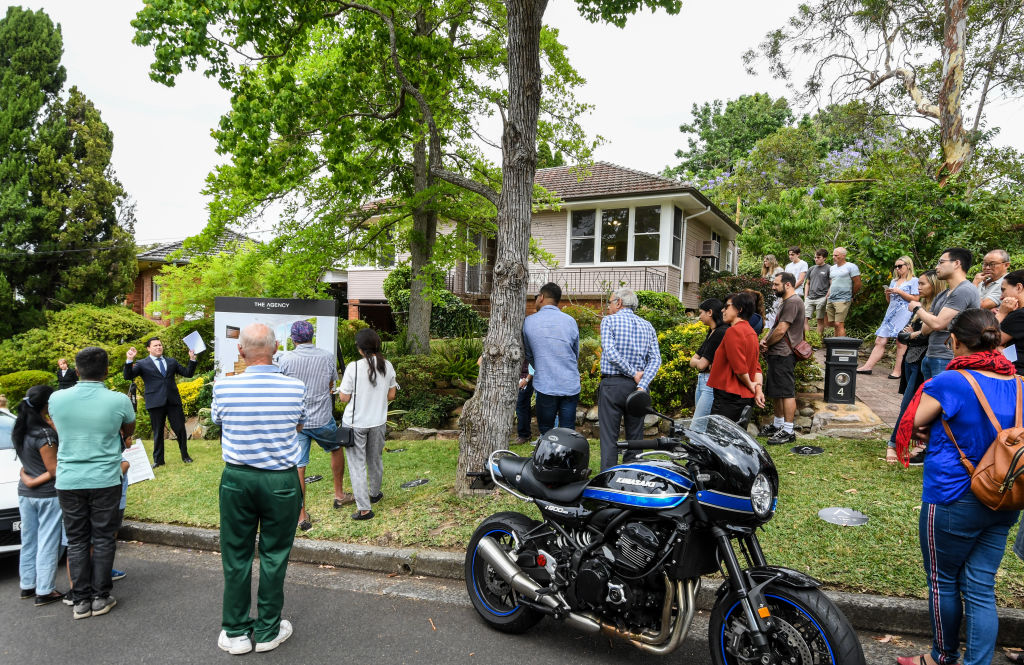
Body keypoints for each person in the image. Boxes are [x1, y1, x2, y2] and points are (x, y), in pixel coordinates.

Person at [897, 309, 1021, 665]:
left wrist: (930, 425)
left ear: (954, 341)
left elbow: (915, 422)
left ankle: (942, 657)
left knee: (942, 581)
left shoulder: (951, 382)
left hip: (953, 495)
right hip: (1005, 497)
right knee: (982, 588)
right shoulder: (1020, 384)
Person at [211, 323, 305, 655]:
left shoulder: (223, 387)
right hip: (281, 480)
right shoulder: (295, 388)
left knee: (235, 554)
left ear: (240, 351)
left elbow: (219, 422)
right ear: (276, 348)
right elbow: (299, 423)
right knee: (274, 555)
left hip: (238, 479)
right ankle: (267, 630)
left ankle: (236, 631)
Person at [49, 346, 135, 620]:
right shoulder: (119, 400)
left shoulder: (56, 399)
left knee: (76, 540)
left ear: (76, 370)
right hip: (105, 477)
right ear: (107, 371)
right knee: (103, 536)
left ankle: (80, 600)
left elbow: (57, 427)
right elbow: (128, 429)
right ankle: (100, 596)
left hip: (69, 479)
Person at [278, 320, 349, 531]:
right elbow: (330, 384)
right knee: (336, 448)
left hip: (295, 421)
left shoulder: (285, 359)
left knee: (299, 465)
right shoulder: (327, 356)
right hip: (322, 417)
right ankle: (339, 494)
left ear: (293, 339)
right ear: (312, 337)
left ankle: (301, 515)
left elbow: (281, 386)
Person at [597, 288, 661, 471]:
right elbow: (656, 359)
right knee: (635, 437)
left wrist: (632, 372)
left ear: (619, 303)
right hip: (638, 389)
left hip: (613, 385)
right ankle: (632, 476)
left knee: (609, 436)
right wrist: (642, 384)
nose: (608, 307)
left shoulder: (609, 321)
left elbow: (610, 353)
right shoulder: (647, 325)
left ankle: (608, 477)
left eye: (609, 302)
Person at [338, 329, 398, 521]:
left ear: (361, 349)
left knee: (357, 466)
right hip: (378, 421)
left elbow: (344, 397)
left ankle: (364, 509)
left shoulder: (353, 367)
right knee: (375, 459)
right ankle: (374, 493)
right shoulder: (387, 366)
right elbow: (391, 395)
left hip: (355, 423)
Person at [13, 385, 65, 606]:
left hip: (25, 493)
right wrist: (34, 480)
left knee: (29, 540)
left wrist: (27, 478)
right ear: (46, 404)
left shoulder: (21, 428)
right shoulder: (45, 434)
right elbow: (53, 470)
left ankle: (28, 585)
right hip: (46, 494)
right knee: (48, 540)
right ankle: (45, 590)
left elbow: (26, 464)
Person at [885, 270, 944, 463]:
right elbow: (905, 333)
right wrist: (912, 334)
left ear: (934, 285)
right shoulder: (921, 307)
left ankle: (895, 443)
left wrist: (912, 334)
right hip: (912, 358)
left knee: (913, 405)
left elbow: (925, 332)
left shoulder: (932, 308)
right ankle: (902, 442)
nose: (918, 288)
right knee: (909, 404)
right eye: (918, 284)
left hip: (923, 359)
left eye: (923, 284)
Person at [123, 337, 197, 466]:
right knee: (157, 432)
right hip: (155, 402)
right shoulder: (142, 363)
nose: (158, 347)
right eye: (155, 345)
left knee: (180, 429)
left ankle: (185, 455)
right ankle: (158, 460)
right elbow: (127, 376)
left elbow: (188, 373)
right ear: (148, 348)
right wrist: (129, 360)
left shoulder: (171, 362)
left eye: (160, 345)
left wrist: (192, 359)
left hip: (173, 401)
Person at [909, 248, 981, 381]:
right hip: (931, 355)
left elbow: (937, 323)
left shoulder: (964, 290)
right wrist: (932, 320)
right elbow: (925, 330)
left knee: (941, 400)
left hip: (948, 357)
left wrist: (917, 308)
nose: (937, 267)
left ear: (956, 264)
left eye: (941, 262)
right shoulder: (943, 294)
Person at [522, 282, 580, 434]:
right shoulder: (570, 321)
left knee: (546, 432)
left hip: (545, 384)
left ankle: (548, 458)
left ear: (541, 297)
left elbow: (529, 354)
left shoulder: (528, 322)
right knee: (568, 433)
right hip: (569, 384)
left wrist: (541, 366)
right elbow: (575, 353)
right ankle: (567, 458)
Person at [758, 273, 806, 444]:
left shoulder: (793, 302)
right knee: (777, 391)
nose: (773, 287)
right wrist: (765, 340)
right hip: (777, 352)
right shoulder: (785, 301)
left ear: (787, 285)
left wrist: (767, 343)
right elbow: (775, 327)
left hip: (784, 352)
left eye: (776, 284)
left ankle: (788, 430)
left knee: (786, 392)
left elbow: (781, 330)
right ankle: (778, 425)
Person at [857, 256, 919, 378]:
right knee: (880, 340)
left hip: (904, 312)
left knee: (900, 341)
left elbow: (916, 299)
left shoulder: (914, 281)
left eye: (900, 266)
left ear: (908, 266)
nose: (897, 269)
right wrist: (888, 294)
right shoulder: (894, 281)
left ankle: (897, 371)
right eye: (895, 266)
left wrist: (900, 292)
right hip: (891, 312)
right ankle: (868, 366)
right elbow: (890, 301)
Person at [708, 292, 766, 422]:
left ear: (739, 310)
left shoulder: (734, 331)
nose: (723, 310)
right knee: (737, 438)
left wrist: (751, 385)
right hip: (743, 397)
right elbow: (756, 366)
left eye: (727, 306)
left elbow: (739, 368)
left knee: (718, 438)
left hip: (728, 397)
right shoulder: (751, 332)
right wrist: (757, 389)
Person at [689, 298, 728, 423]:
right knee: (700, 422)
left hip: (710, 383)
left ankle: (698, 444)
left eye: (701, 312)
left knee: (698, 424)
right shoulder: (712, 332)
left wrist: (699, 362)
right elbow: (693, 360)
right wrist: (699, 362)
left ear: (709, 312)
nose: (699, 316)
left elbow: (700, 364)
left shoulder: (720, 332)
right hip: (703, 380)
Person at [825, 247, 861, 338]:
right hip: (831, 298)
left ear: (843, 256)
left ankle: (842, 347)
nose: (833, 257)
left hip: (843, 298)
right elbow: (833, 282)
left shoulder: (851, 267)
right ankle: (835, 345)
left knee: (839, 323)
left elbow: (858, 283)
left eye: (836, 255)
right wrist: (828, 294)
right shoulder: (832, 268)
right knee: (831, 323)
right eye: (833, 255)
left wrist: (852, 295)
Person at [997, 269, 1024, 374]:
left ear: (1019, 287)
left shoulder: (1019, 315)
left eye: (1003, 290)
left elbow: (985, 341)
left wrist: (1001, 313)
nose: (1001, 297)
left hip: (1016, 375)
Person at [804, 248, 831, 335]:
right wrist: (805, 296)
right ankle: (808, 340)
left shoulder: (829, 268)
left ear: (824, 258)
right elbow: (807, 283)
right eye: (815, 257)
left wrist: (826, 297)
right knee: (804, 318)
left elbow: (832, 284)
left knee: (820, 320)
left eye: (818, 257)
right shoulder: (811, 268)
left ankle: (818, 341)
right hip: (810, 298)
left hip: (822, 297)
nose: (816, 259)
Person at [762, 255, 784, 328]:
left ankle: (773, 328)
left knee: (774, 311)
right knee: (767, 312)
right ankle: (767, 328)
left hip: (776, 294)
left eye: (766, 261)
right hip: (767, 294)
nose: (765, 263)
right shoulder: (767, 271)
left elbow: (782, 283)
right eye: (764, 261)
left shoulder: (779, 270)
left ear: (771, 261)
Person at [515, 358, 533, 444]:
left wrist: (526, 379)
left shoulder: (527, 346)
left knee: (521, 407)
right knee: (524, 406)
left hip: (524, 379)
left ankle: (523, 435)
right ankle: (526, 434)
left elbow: (533, 365)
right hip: (520, 378)